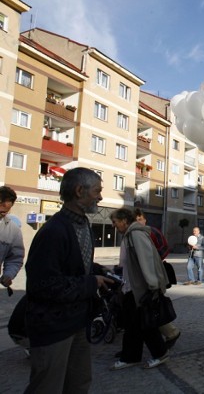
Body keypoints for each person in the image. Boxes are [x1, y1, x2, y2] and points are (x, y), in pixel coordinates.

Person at [24, 167, 114, 393]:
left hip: (77, 321)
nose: (100, 197)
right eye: (97, 191)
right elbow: (42, 285)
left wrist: (100, 271)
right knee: (47, 387)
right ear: (79, 190)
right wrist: (92, 283)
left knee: (79, 383)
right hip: (53, 327)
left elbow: (75, 265)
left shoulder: (82, 224)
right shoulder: (54, 231)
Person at [110, 208, 170, 370]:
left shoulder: (135, 234)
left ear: (124, 220)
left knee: (144, 323)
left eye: (115, 222)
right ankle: (131, 356)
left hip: (140, 288)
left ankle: (159, 353)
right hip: (131, 287)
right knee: (133, 324)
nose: (114, 225)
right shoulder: (130, 235)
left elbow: (147, 260)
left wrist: (152, 286)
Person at [133, 209, 181, 349]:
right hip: (139, 273)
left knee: (152, 306)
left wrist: (154, 260)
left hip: (152, 272)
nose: (138, 221)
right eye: (136, 219)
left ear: (145, 220)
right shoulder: (134, 234)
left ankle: (170, 331)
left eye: (140, 219)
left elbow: (165, 247)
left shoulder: (152, 231)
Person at [0, 186, 25, 295]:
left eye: (4, 212)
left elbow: (15, 258)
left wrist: (8, 274)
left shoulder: (13, 230)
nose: (1, 213)